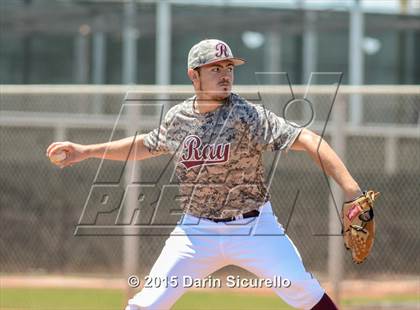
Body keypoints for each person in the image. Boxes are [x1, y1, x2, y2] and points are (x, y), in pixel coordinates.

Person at [47, 39, 362, 309]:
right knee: (146, 303)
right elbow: (144, 144)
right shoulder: (179, 117)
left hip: (253, 227)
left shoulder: (246, 114)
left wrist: (352, 191)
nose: (225, 76)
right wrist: (86, 151)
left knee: (304, 291)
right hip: (196, 232)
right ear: (193, 76)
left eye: (229, 68)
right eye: (215, 69)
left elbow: (308, 139)